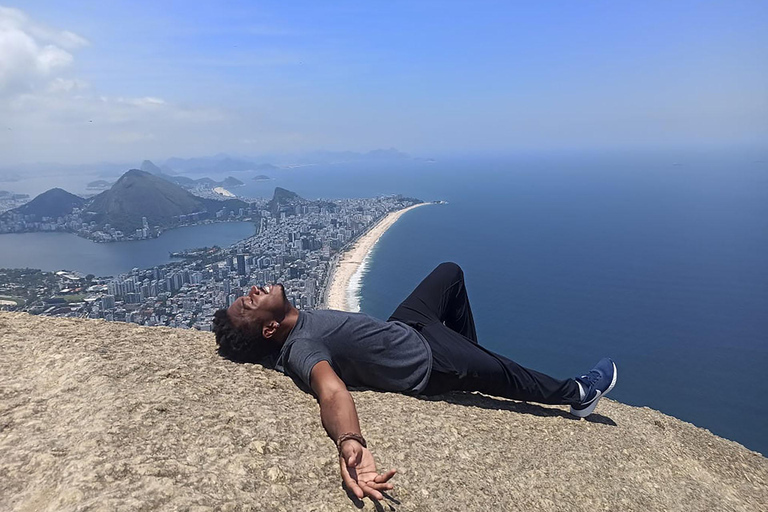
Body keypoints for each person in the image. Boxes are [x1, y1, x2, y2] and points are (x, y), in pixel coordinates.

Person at [212, 262, 617, 501]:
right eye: (250, 303)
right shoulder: (302, 347)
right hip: (427, 360)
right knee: (508, 375)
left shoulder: (296, 325)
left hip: (408, 326)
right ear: (267, 331)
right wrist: (350, 442)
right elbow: (330, 390)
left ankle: (471, 354)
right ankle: (578, 394)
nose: (253, 290)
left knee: (449, 273)